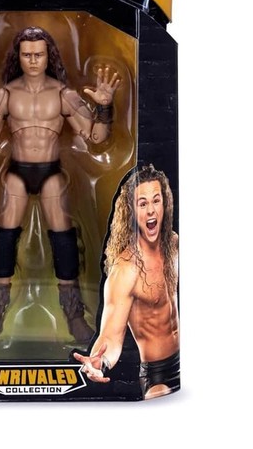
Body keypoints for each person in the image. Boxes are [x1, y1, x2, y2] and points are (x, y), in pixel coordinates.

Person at [0, 26, 121, 345]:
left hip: (51, 172)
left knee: (63, 235)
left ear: (49, 56)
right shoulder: (5, 95)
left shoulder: (63, 94)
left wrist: (105, 107)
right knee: (5, 234)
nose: (33, 60)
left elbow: (95, 137)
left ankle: (75, 317)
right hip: (17, 171)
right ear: (19, 57)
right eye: (27, 55)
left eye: (39, 54)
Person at [73, 164, 179, 399]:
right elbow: (111, 334)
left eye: (156, 201)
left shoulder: (173, 245)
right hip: (157, 375)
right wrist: (99, 361)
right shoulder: (126, 269)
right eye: (143, 204)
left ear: (165, 203)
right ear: (131, 211)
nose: (151, 211)